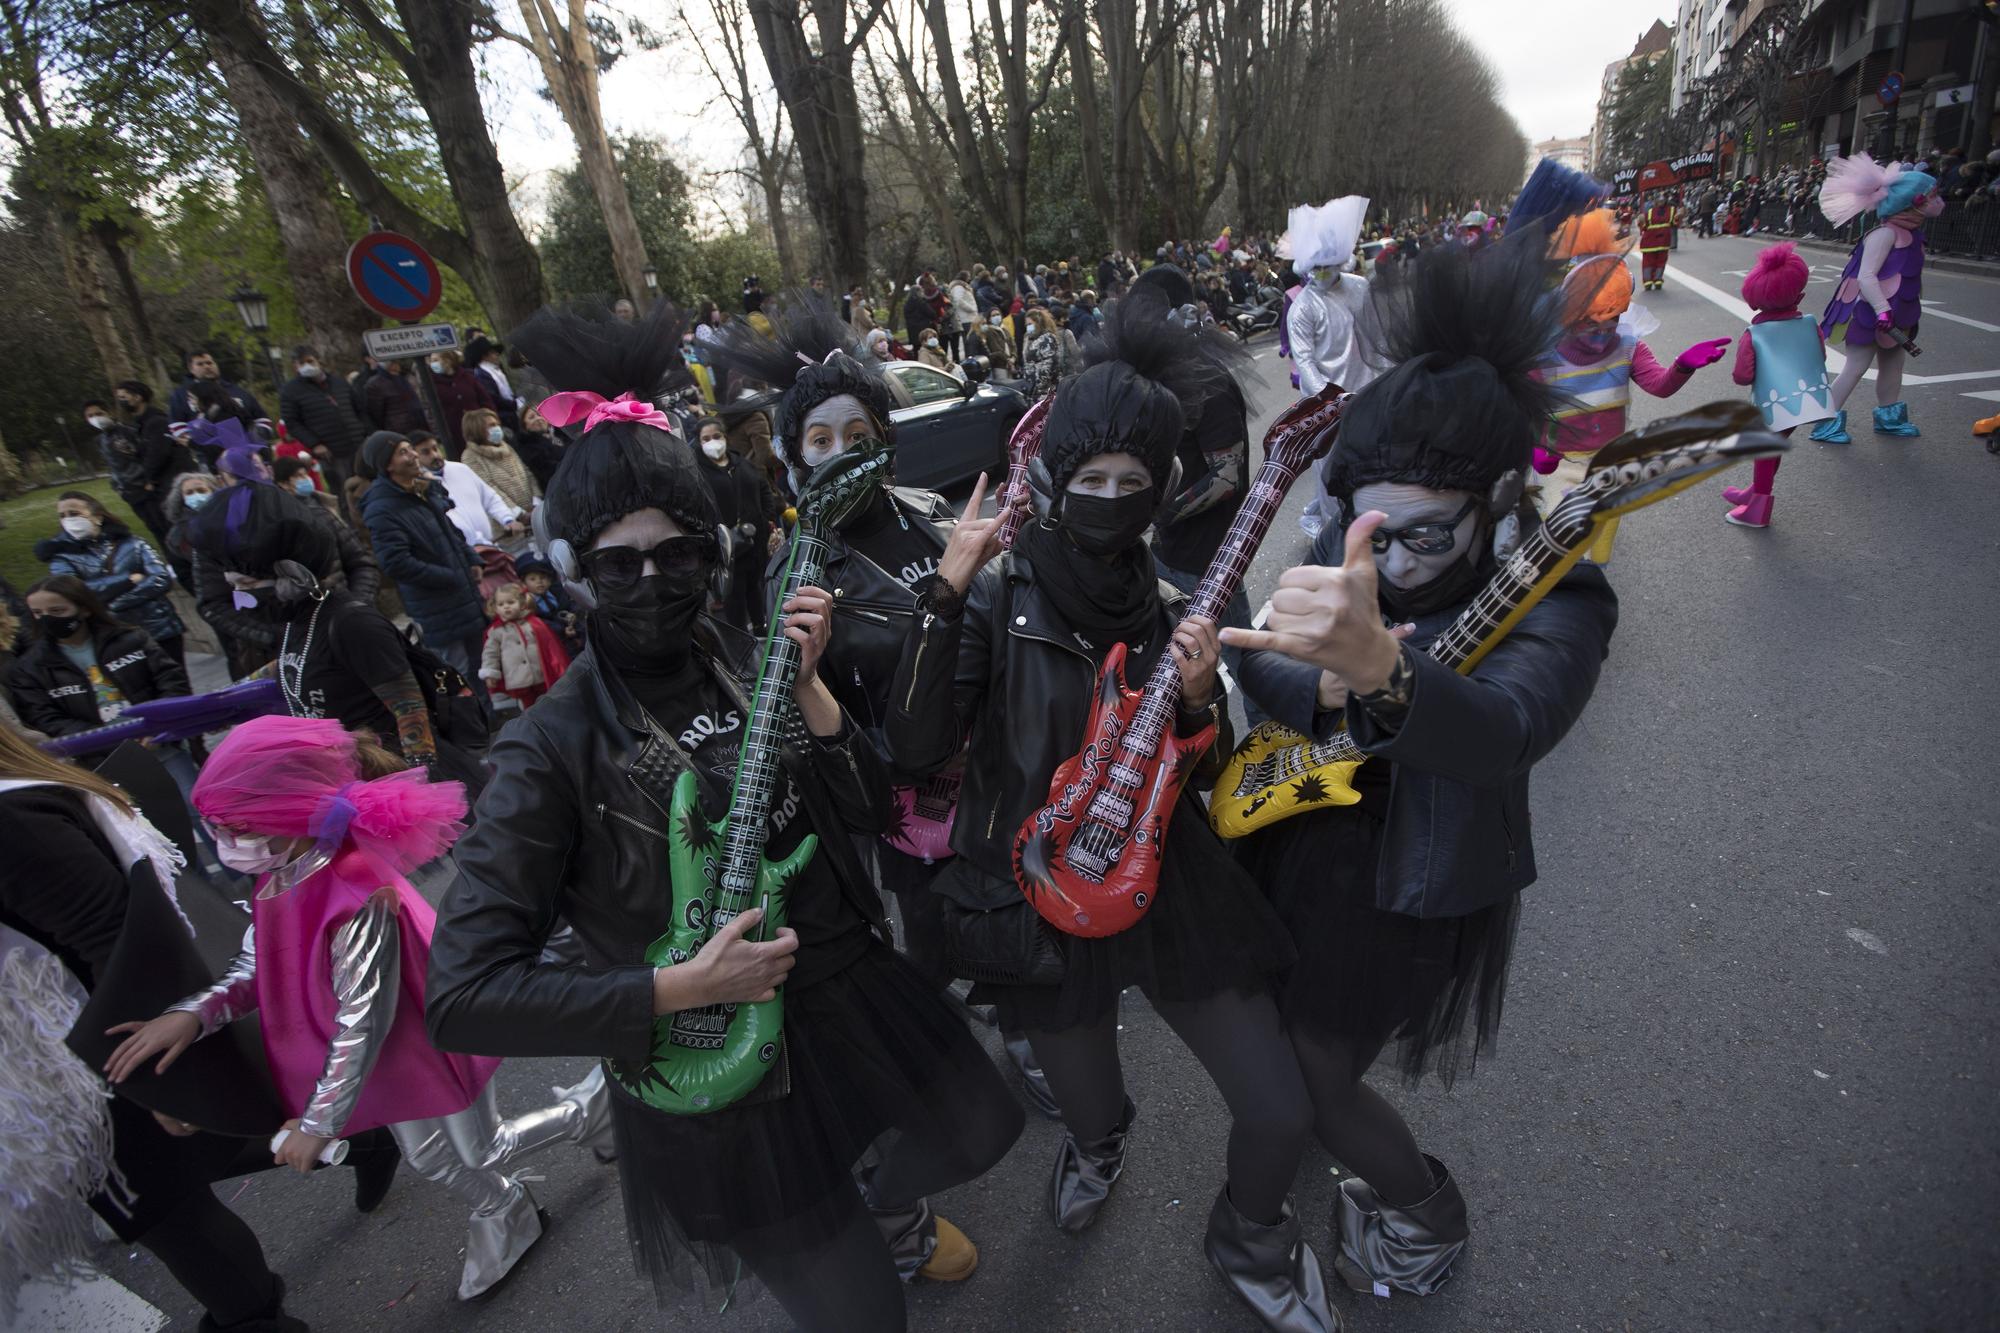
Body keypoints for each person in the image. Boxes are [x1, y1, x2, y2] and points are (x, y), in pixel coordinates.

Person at [424, 299, 1021, 1328]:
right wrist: (670, 986)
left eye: (677, 555)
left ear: (709, 555)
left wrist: (814, 695)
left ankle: (878, 1203)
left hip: (843, 989)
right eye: (619, 561)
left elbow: (873, 804)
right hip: (710, 1051)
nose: (652, 580)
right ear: (572, 570)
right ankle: (863, 1231)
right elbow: (465, 994)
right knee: (861, 1312)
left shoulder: (743, 660)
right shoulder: (546, 751)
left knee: (979, 1128)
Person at [884, 287, 1335, 1332]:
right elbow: (911, 750)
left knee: (1274, 1101)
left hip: (1171, 878)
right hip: (1042, 892)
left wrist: (1193, 695)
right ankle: (1098, 1147)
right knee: (1089, 1108)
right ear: (1050, 477)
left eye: (1132, 483)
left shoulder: (1174, 600)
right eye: (1088, 478)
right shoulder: (995, 602)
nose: (1109, 497)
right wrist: (944, 595)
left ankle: (1250, 1231)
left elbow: (1205, 752)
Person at [1225, 228, 1618, 1302]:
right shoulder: (1355, 551)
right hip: (1301, 838)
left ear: (1496, 499)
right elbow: (1266, 667)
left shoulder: (1561, 597)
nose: (1384, 564)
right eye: (1364, 535)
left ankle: (1423, 1213)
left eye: (1421, 537)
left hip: (1413, 881)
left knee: (1312, 1069)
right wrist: (1327, 680)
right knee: (1286, 1037)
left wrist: (1385, 676)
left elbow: (1506, 728)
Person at [106, 716, 613, 1301]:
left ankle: (586, 1111)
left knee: (482, 1146)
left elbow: (362, 1018)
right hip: (387, 1055)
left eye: (236, 828)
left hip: (426, 1038)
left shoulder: (355, 895)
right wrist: (195, 1013)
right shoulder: (280, 872)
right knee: (427, 1159)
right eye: (216, 828)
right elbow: (261, 962)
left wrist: (319, 1124)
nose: (225, 846)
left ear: (287, 816)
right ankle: (505, 1205)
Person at [0, 726, 325, 1333]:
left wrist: (163, 1082)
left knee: (165, 1215)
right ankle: (346, 1138)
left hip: (89, 1058)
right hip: (64, 1052)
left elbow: (118, 940)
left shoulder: (14, 815)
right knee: (184, 1169)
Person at [1532, 209, 1730, 534]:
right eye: (1590, 323)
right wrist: (1535, 448)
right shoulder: (1547, 355)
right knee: (1559, 540)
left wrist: (1683, 366)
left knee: (1599, 545)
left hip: (1611, 464)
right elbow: (1524, 406)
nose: (1603, 331)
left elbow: (1659, 385)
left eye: (1613, 320)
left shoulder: (1628, 345)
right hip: (1561, 462)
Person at [1128, 265, 1266, 726]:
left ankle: (1272, 749)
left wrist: (1160, 512)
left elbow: (1226, 478)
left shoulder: (1209, 381)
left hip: (1208, 560)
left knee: (1247, 664)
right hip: (1165, 555)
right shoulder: (1164, 374)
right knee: (1167, 670)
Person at [189, 418, 381, 680]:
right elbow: (213, 603)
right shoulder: (214, 536)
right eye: (238, 474)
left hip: (348, 632)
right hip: (279, 656)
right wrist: (273, 636)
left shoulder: (314, 514)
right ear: (222, 481)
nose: (250, 480)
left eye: (254, 469)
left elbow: (360, 563)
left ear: (267, 470)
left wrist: (356, 608)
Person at [1810, 154, 1943, 443]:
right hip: (1868, 313)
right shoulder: (1883, 235)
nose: (1939, 201)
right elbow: (1866, 277)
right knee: (1856, 365)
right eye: (1933, 196)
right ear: (1915, 202)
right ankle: (1824, 421)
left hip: (1898, 312)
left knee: (1894, 363)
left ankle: (1889, 417)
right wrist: (1882, 309)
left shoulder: (1912, 235)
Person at [356, 431, 492, 700]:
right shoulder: (382, 509)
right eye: (403, 452)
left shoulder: (422, 489)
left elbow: (450, 533)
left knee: (479, 665)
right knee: (456, 672)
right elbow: (396, 562)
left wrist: (471, 560)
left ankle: (489, 720)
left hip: (464, 596)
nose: (414, 456)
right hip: (437, 606)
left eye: (411, 449)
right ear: (388, 465)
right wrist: (448, 576)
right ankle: (472, 730)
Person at [1719, 242, 1832, 529]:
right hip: (1803, 400)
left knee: (1765, 449)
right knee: (1774, 445)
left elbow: (1742, 375)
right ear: (1801, 293)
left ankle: (1758, 507)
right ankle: (1756, 491)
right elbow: (1820, 356)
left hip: (1770, 402)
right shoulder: (1810, 323)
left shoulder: (1755, 333)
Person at [11, 574, 188, 739]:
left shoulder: (130, 639)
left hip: (161, 738)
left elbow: (170, 679)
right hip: (104, 756)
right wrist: (109, 740)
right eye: (38, 613)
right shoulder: (31, 667)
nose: (47, 619)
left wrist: (158, 723)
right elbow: (46, 718)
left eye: (57, 611)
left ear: (84, 609)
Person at [36, 491, 186, 670]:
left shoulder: (133, 543)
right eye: (62, 516)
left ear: (97, 517)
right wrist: (128, 580)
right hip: (114, 637)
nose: (68, 520)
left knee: (176, 682)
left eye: (74, 513)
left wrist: (116, 603)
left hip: (160, 627)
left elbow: (161, 578)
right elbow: (75, 591)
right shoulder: (61, 557)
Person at [93, 386, 191, 582]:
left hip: (153, 487)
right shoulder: (128, 429)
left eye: (124, 397)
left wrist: (148, 479)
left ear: (138, 397)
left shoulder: (149, 424)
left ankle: (186, 569)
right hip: (135, 490)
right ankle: (181, 569)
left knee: (172, 529)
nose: (122, 401)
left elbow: (153, 454)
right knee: (161, 531)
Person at [689, 415, 775, 634]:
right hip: (725, 549)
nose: (713, 442)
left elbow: (763, 489)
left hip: (753, 542)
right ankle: (739, 639)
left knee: (756, 588)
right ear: (699, 443)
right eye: (706, 438)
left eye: (716, 436)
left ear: (725, 437)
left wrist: (764, 519)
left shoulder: (741, 463)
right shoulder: (697, 472)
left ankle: (760, 627)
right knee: (733, 596)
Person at [1285, 196, 1377, 399]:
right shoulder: (1303, 308)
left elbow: (1377, 337)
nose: (1322, 272)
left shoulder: (1360, 287)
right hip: (1334, 406)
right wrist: (1330, 400)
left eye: (1327, 265)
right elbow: (1304, 361)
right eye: (1317, 267)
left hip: (1371, 393)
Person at [278, 345, 369, 506]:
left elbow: (359, 409)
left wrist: (363, 430)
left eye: (310, 361)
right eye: (301, 363)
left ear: (318, 361)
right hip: (330, 451)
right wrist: (315, 444)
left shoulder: (338, 382)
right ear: (295, 366)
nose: (307, 366)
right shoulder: (291, 391)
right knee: (344, 494)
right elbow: (292, 423)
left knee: (367, 486)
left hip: (357, 444)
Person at [406, 429, 524, 547]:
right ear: (414, 456)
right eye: (426, 452)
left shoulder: (461, 469)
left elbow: (489, 498)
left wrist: (507, 519)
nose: (435, 455)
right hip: (466, 553)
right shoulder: (419, 486)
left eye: (435, 448)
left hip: (491, 547)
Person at [480, 582, 570, 710]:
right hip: (518, 679)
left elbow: (550, 647)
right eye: (501, 604)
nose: (506, 607)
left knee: (549, 702)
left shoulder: (534, 624)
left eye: (510, 602)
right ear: (495, 607)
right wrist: (490, 673)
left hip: (541, 675)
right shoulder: (496, 631)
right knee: (528, 708)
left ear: (522, 604)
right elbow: (490, 654)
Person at [458, 408, 539, 515]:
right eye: (492, 425)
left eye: (497, 424)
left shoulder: (507, 447)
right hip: (511, 522)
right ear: (477, 430)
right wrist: (518, 513)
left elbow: (527, 473)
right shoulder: (470, 456)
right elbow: (488, 487)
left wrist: (536, 500)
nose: (497, 428)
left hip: (534, 510)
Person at [424, 350, 495, 458]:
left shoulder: (467, 376)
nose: (432, 364)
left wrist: (490, 419)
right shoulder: (431, 383)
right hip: (455, 435)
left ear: (447, 360)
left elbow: (485, 399)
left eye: (436, 360)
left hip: (480, 429)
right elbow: (431, 410)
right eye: (432, 361)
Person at [168, 349, 265, 425]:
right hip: (206, 448)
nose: (207, 367)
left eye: (209, 363)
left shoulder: (237, 391)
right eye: (200, 364)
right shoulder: (181, 395)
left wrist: (258, 436)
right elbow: (177, 425)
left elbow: (261, 417)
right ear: (191, 369)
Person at [517, 554, 583, 657]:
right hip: (555, 645)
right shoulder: (526, 604)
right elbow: (539, 623)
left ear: (550, 580)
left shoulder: (559, 592)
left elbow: (573, 606)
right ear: (523, 583)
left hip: (576, 634)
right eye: (532, 579)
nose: (539, 582)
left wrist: (574, 620)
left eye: (543, 577)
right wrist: (562, 630)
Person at [464, 335, 520, 430]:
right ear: (484, 356)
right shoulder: (482, 374)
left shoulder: (494, 371)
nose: (497, 355)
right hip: (503, 416)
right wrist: (514, 404)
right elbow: (493, 397)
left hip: (510, 413)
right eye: (493, 353)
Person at [364, 358, 428, 435]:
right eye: (395, 362)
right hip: (399, 431)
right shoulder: (375, 384)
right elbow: (375, 413)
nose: (398, 365)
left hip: (419, 425)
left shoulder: (403, 378)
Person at [511, 399, 565, 490]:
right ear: (525, 425)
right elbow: (548, 471)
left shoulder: (561, 433)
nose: (538, 419)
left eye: (540, 415)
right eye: (531, 417)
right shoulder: (528, 446)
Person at [1637, 194, 1677, 291]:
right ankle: (1657, 280)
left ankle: (1648, 282)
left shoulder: (1649, 212)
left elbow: (1642, 226)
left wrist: (1640, 222)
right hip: (1662, 242)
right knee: (1660, 262)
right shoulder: (1671, 211)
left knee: (1648, 263)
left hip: (1650, 242)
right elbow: (1675, 223)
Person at [946, 272, 979, 361]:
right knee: (969, 341)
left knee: (972, 340)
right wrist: (971, 308)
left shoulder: (962, 286)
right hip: (966, 318)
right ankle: (970, 359)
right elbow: (958, 300)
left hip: (970, 317)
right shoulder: (958, 287)